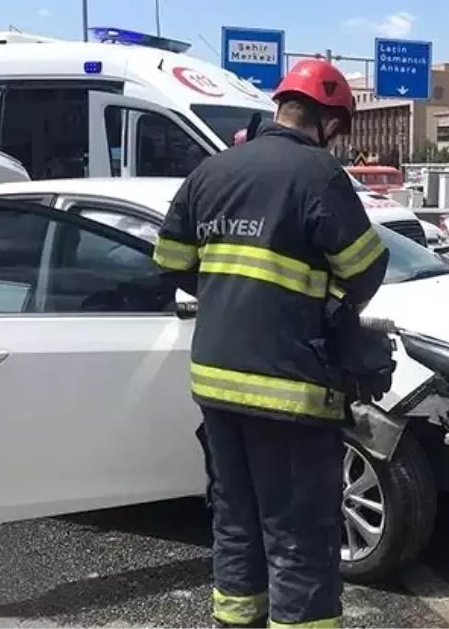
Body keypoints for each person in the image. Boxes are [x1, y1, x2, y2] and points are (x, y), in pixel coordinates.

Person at [152, 58, 390, 629]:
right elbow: (365, 269)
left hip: (216, 381)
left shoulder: (212, 171)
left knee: (235, 522)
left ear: (280, 106)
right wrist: (316, 297)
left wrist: (234, 289)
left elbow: (170, 262)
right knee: (299, 536)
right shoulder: (317, 175)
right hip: (289, 389)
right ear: (330, 122)